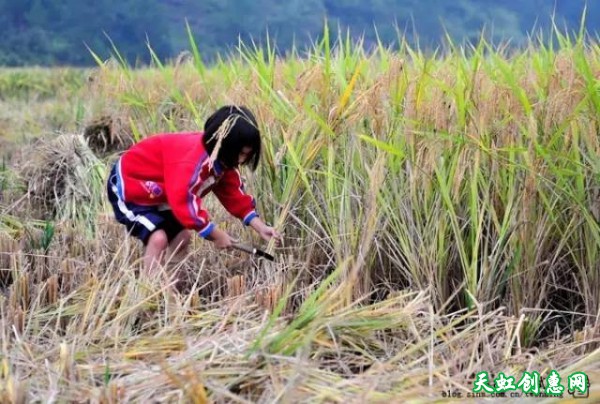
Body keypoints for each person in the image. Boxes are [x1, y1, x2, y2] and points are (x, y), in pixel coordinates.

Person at [106, 105, 281, 273]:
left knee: (182, 239)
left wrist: (259, 226)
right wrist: (215, 234)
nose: (242, 160)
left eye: (247, 155)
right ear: (225, 145)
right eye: (241, 153)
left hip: (163, 195)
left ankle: (170, 289)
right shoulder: (191, 162)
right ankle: (151, 294)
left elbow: (233, 193)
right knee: (159, 239)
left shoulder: (221, 159)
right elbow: (184, 199)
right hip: (131, 186)